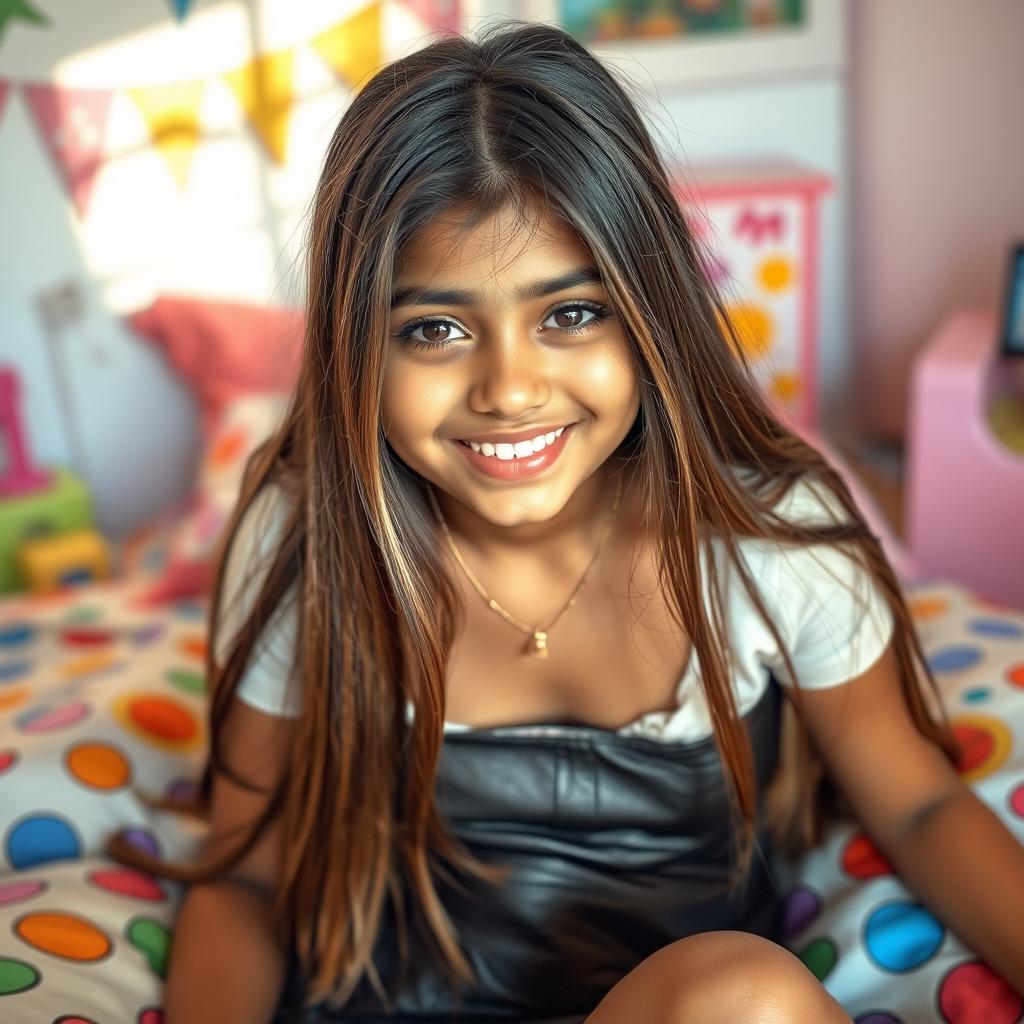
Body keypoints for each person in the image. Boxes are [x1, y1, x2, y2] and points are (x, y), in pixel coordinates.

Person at [107, 18, 1024, 1024]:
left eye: (570, 313)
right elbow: (242, 874)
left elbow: (924, 803)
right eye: (436, 329)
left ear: (649, 309)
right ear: (357, 345)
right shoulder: (311, 534)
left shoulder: (762, 532)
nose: (508, 388)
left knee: (747, 995)